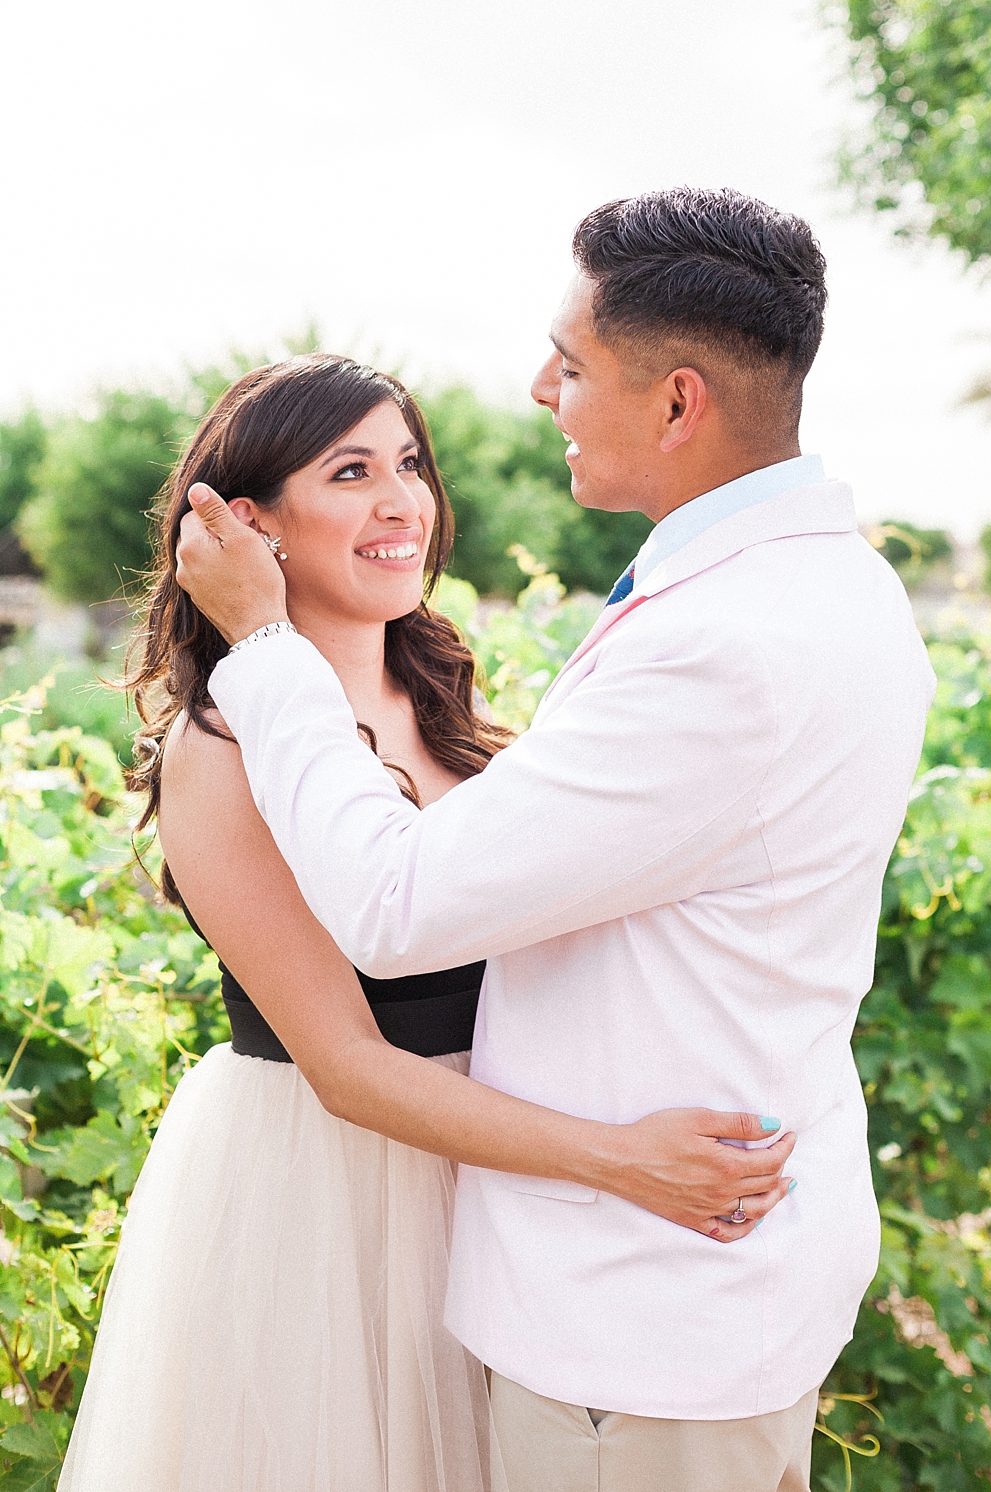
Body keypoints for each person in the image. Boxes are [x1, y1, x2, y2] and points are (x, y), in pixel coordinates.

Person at [176, 187, 937, 1492]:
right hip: (597, 1270)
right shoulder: (831, 586)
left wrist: (262, 644)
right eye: (347, 468)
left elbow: (398, 903)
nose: (537, 389)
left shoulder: (716, 646)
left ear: (676, 401)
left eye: (570, 363)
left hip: (634, 1331)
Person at [59, 354, 796, 1492]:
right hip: (337, 1200)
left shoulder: (451, 699)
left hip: (503, 1183)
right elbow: (348, 1067)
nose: (402, 501)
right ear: (250, 525)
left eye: (409, 464)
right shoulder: (220, 748)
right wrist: (620, 1163)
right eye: (350, 472)